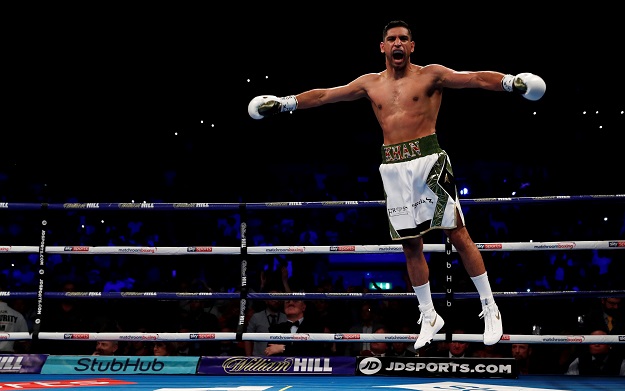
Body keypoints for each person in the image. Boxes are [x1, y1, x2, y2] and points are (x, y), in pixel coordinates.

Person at [248, 19, 546, 350]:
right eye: (392, 39)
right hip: (393, 166)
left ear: (412, 46)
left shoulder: (431, 74)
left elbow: (473, 78)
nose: (398, 43)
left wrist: (509, 81)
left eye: (404, 38)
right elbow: (323, 96)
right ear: (382, 47)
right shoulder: (369, 84)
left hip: (429, 160)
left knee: (457, 233)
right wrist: (285, 102)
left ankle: (490, 307)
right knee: (411, 245)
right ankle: (429, 314)